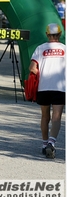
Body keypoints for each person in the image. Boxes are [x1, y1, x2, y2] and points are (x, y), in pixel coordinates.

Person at [28, 23, 65, 159]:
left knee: (45, 116)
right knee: (57, 116)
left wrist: (41, 73)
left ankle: (44, 145)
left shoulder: (40, 48)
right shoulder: (65, 49)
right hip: (60, 87)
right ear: (60, 35)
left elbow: (32, 68)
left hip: (43, 87)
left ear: (47, 35)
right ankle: (52, 142)